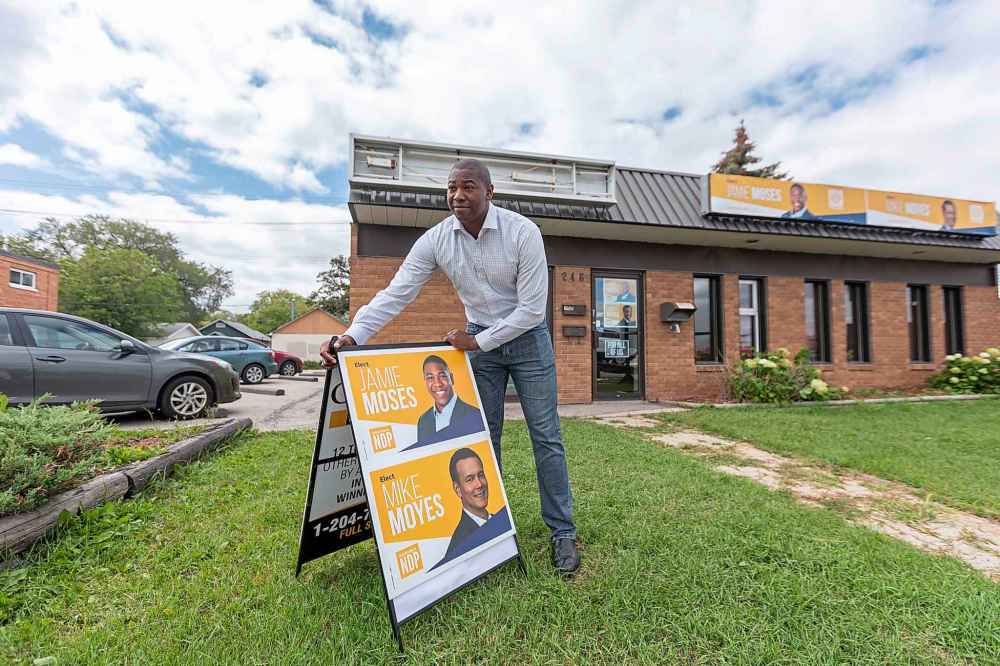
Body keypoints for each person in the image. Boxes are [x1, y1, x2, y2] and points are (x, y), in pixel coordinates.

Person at [321, 158, 580, 574]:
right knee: (482, 440)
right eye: (451, 188)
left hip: (527, 341)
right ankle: (492, 532)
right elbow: (397, 292)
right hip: (479, 344)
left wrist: (477, 341)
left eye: (468, 187)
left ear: (489, 192)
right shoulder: (437, 239)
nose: (458, 195)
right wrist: (354, 334)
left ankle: (562, 531)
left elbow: (533, 310)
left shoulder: (522, 232)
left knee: (546, 437)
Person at [407, 354, 485, 450]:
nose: (437, 383)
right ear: (425, 382)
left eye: (442, 376)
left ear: (451, 378)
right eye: (430, 378)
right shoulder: (423, 420)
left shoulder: (475, 415)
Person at [441, 448, 491, 561]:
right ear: (458, 489)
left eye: (481, 475)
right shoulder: (458, 545)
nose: (479, 484)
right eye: (470, 479)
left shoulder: (501, 520)